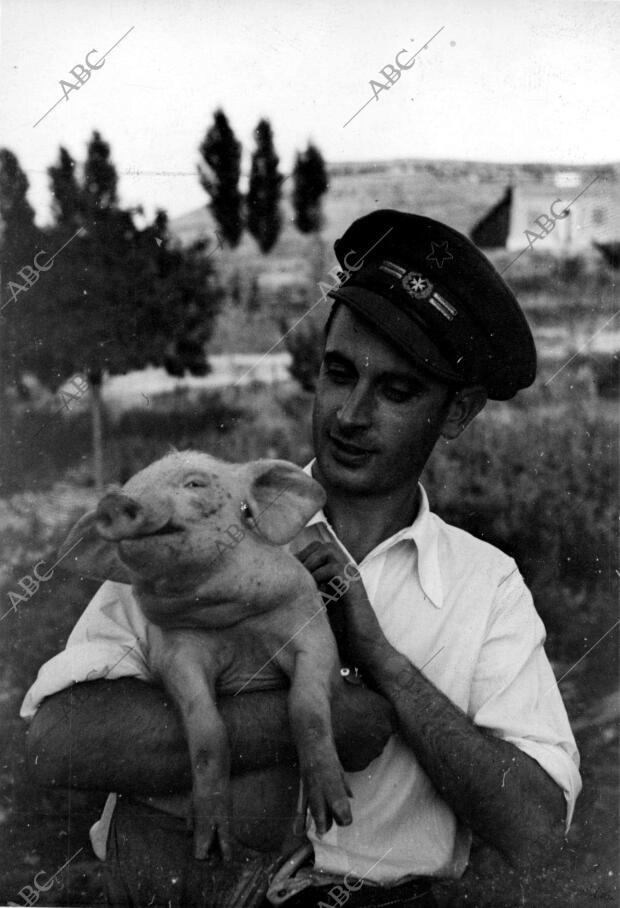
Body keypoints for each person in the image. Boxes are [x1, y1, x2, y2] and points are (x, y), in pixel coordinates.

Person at [22, 210, 581, 908]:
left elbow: (536, 828)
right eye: (339, 374)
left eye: (397, 391)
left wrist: (384, 663)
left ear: (459, 412)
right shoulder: (208, 517)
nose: (351, 414)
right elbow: (59, 739)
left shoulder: (485, 585)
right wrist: (311, 720)